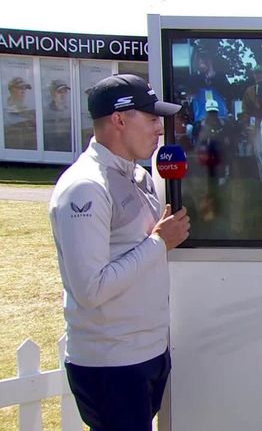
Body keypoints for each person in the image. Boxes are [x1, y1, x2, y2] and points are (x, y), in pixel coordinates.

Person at [48, 74, 190, 431]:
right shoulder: (85, 187)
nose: (160, 128)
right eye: (151, 117)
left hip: (145, 354)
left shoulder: (137, 176)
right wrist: (159, 242)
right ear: (119, 119)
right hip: (111, 364)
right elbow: (89, 289)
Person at [242, 64, 262, 162]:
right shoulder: (249, 91)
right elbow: (245, 110)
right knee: (258, 153)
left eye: (260, 73)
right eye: (256, 73)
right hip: (255, 126)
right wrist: (246, 126)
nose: (258, 75)